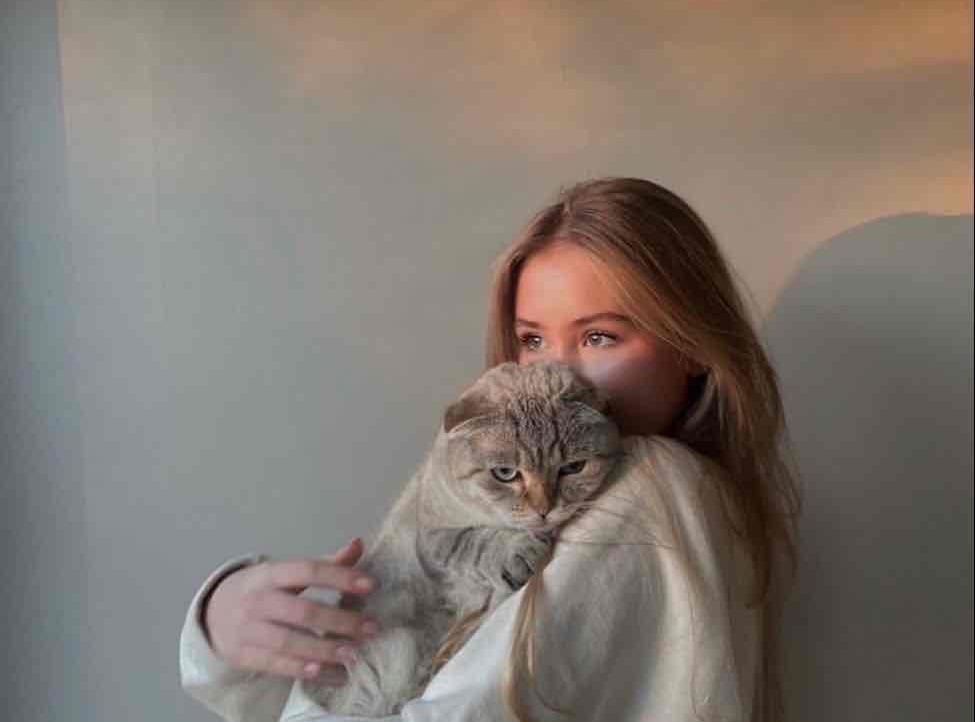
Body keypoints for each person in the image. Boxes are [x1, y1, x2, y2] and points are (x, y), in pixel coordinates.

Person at [180, 177, 800, 721]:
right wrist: (225, 624)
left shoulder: (651, 487)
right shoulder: (676, 498)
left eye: (599, 337)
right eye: (532, 340)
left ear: (692, 345)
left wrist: (231, 654)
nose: (558, 374)